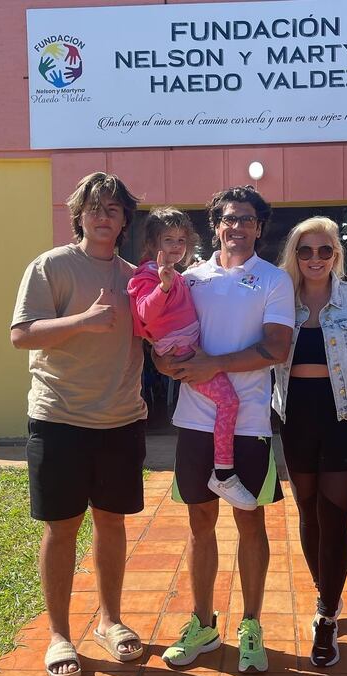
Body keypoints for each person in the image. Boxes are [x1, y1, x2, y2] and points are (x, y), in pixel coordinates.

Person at [10, 172, 147, 676]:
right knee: (62, 527)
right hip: (59, 418)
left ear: (124, 219)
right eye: (94, 207)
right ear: (79, 214)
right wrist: (83, 321)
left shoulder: (137, 276)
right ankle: (59, 634)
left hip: (120, 420)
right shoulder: (51, 266)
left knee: (112, 523)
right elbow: (22, 335)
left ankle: (110, 621)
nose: (103, 215)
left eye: (113, 208)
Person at [154, 186, 294, 673]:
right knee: (199, 523)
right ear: (215, 225)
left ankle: (251, 624)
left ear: (260, 227)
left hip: (250, 423)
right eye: (228, 218)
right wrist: (164, 358)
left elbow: (276, 348)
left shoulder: (275, 280)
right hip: (195, 421)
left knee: (250, 521)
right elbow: (165, 336)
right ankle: (203, 623)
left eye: (247, 219)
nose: (237, 227)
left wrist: (212, 365)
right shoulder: (190, 280)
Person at [272, 217, 347, 667]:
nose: (315, 259)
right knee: (308, 511)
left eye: (325, 250)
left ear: (337, 255)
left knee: (334, 515)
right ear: (294, 255)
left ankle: (327, 616)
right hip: (296, 417)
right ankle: (324, 590)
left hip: (345, 416)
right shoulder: (279, 298)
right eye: (305, 251)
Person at [127, 207, 256, 510]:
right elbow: (145, 311)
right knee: (229, 402)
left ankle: (222, 469)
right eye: (168, 239)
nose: (175, 246)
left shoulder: (177, 274)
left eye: (181, 241)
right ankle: (223, 472)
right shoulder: (147, 276)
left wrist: (178, 278)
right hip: (181, 352)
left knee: (227, 402)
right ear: (151, 243)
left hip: (187, 347)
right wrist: (163, 286)